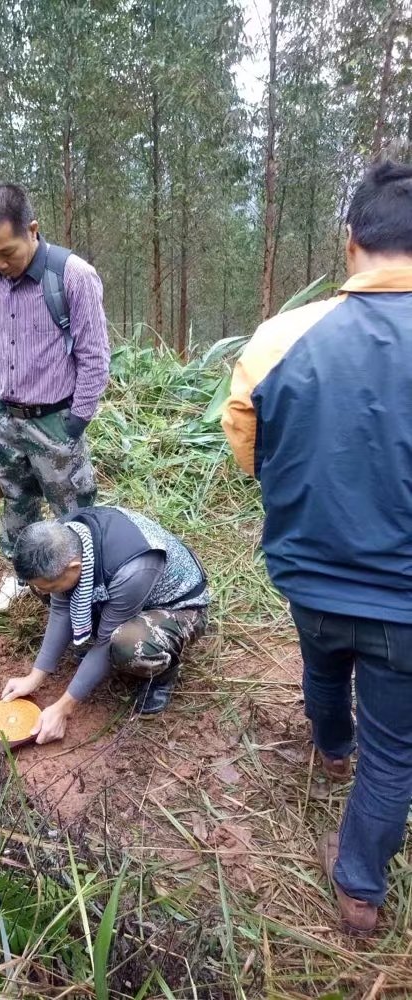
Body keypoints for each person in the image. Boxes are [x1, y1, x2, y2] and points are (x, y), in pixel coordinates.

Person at [222, 160, 412, 937]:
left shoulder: (279, 338)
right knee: (396, 751)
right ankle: (359, 890)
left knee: (322, 664)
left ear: (351, 241)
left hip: (309, 573)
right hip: (404, 601)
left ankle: (331, 750)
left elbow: (244, 446)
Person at [0, 182, 110, 609]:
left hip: (54, 421)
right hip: (2, 421)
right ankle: (21, 574)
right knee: (16, 502)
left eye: (6, 252)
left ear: (32, 230)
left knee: (73, 511)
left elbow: (95, 358)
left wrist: (74, 424)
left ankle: (83, 588)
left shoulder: (72, 277)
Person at [0, 506, 209, 742]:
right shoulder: (62, 538)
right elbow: (60, 610)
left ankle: (162, 675)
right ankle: (97, 622)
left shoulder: (132, 569)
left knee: (127, 644)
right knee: (51, 590)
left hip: (179, 607)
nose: (41, 592)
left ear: (74, 568)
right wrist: (34, 677)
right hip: (127, 593)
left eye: (47, 586)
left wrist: (63, 708)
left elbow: (105, 643)